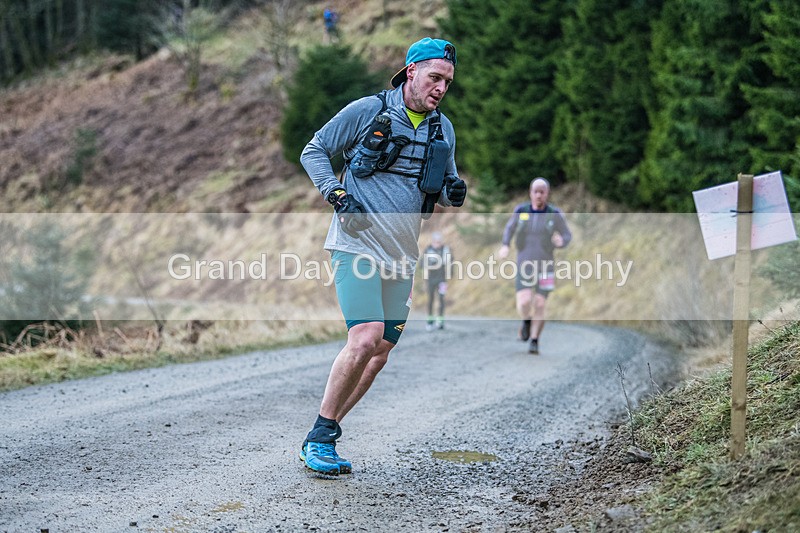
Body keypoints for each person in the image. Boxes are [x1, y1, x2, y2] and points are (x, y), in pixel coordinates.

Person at [298, 37, 466, 476]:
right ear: (410, 72)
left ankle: (327, 429)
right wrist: (335, 193)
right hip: (356, 244)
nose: (441, 88)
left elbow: (446, 185)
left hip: (402, 254)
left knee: (381, 352)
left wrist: (454, 190)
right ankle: (319, 438)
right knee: (366, 337)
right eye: (435, 77)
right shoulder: (366, 111)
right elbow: (313, 150)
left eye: (447, 81)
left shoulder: (442, 129)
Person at [498, 177, 571, 355]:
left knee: (539, 303)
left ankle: (534, 340)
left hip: (546, 266)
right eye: (535, 191)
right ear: (531, 193)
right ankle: (526, 320)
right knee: (524, 302)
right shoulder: (521, 210)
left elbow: (567, 235)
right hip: (525, 265)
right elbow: (510, 229)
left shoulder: (554, 213)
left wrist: (561, 241)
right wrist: (505, 245)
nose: (539, 195)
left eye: (542, 192)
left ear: (547, 193)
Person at [421, 231, 452, 331]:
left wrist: (449, 276)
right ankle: (430, 321)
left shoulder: (445, 249)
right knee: (431, 299)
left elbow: (450, 263)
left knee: (441, 300)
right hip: (430, 279)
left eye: (439, 242)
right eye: (435, 242)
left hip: (442, 279)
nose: (437, 244)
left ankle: (440, 321)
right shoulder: (428, 249)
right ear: (433, 241)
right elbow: (422, 263)